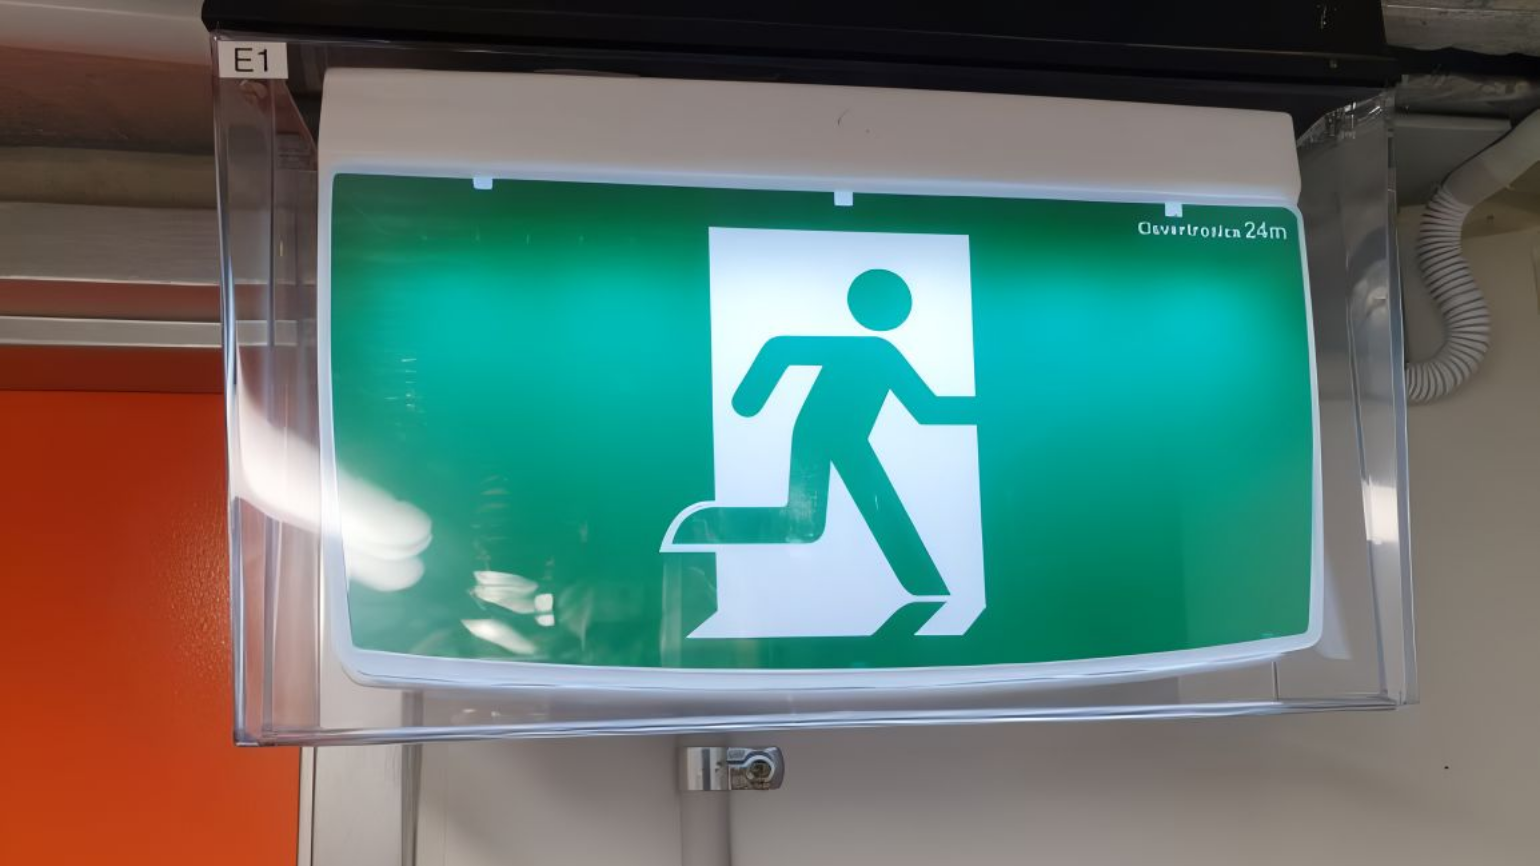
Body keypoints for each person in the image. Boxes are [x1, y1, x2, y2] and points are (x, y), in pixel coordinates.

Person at [671, 268, 973, 597]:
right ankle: (926, 585)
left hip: (847, 440)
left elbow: (925, 408)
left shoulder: (882, 353)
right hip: (816, 437)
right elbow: (781, 349)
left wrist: (750, 398)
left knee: (806, 524)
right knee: (804, 525)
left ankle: (925, 585)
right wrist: (750, 398)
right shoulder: (878, 352)